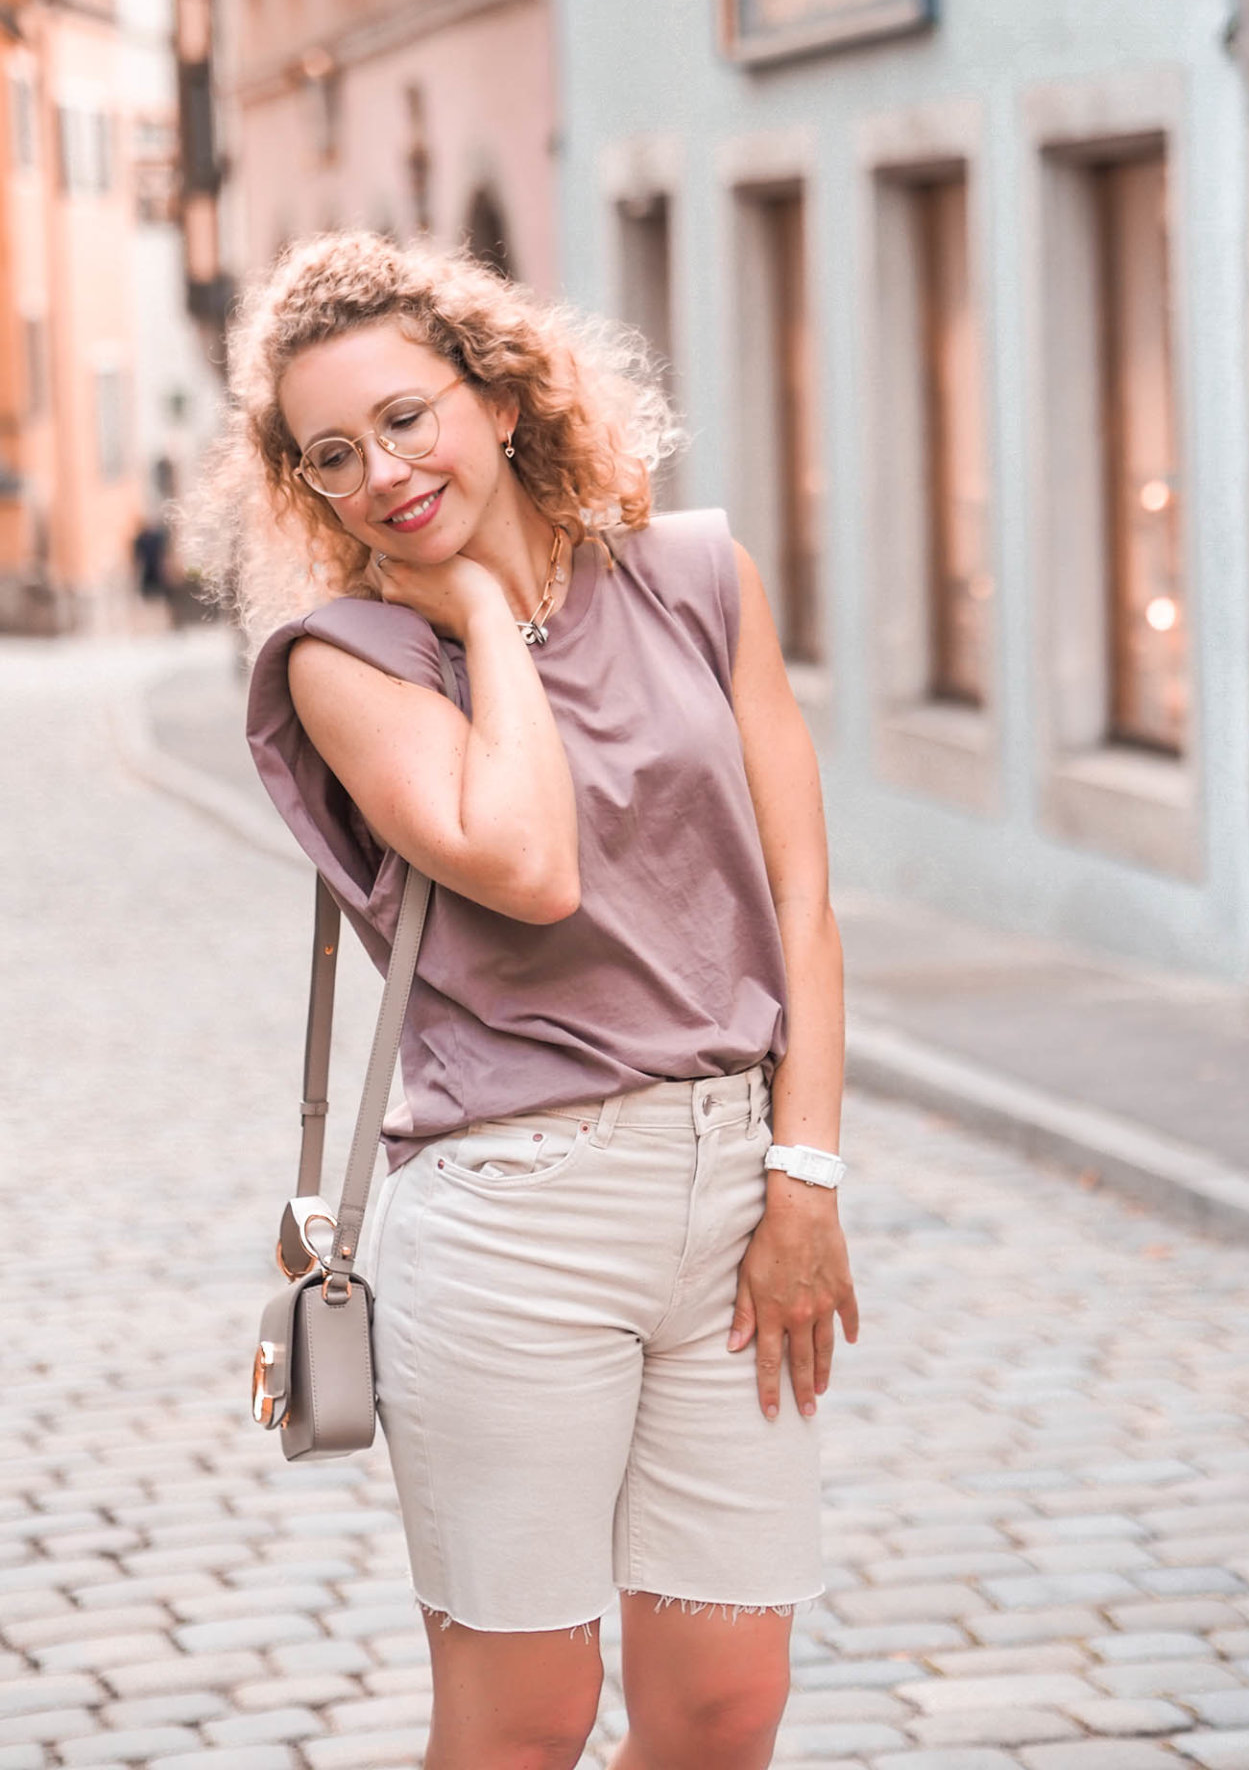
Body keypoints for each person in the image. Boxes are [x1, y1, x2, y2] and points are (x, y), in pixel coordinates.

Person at [200, 230, 858, 1770]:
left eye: (407, 418)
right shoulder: (343, 661)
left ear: (499, 398)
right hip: (514, 1221)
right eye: (334, 456)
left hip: (733, 1189)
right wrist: (485, 613)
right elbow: (527, 862)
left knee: (722, 1709)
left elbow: (806, 897)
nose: (381, 472)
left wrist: (806, 1170)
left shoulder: (696, 575)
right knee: (526, 1722)